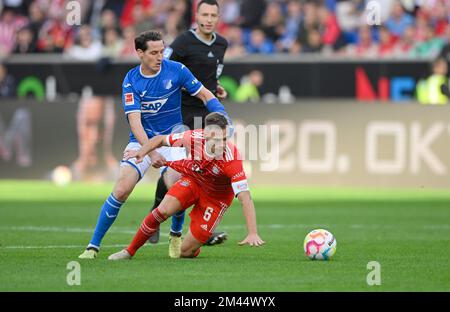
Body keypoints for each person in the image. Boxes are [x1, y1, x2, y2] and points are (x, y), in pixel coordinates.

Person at [78, 30, 231, 259]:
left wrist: (222, 117)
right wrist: (150, 151)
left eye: (162, 51)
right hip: (141, 141)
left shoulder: (176, 70)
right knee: (121, 189)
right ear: (140, 53)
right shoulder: (131, 80)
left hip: (172, 139)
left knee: (176, 182)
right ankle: (93, 246)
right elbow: (135, 122)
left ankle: (175, 235)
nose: (160, 56)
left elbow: (205, 95)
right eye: (154, 52)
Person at [108, 113, 265, 260]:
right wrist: (142, 152)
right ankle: (129, 251)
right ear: (206, 134)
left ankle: (196, 243)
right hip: (194, 181)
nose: (222, 144)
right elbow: (160, 139)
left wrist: (252, 233)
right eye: (217, 139)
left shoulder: (232, 159)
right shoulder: (193, 137)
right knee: (162, 211)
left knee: (185, 252)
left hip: (215, 200)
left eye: (225, 138)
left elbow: (245, 197)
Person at [148, 0, 229, 247]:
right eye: (204, 14)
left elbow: (212, 75)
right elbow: (165, 70)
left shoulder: (221, 44)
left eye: (213, 15)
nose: (209, 19)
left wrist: (216, 89)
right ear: (197, 15)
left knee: (205, 170)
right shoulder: (183, 42)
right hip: (180, 113)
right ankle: (156, 215)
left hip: (206, 115)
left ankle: (199, 229)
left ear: (218, 17)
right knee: (180, 171)